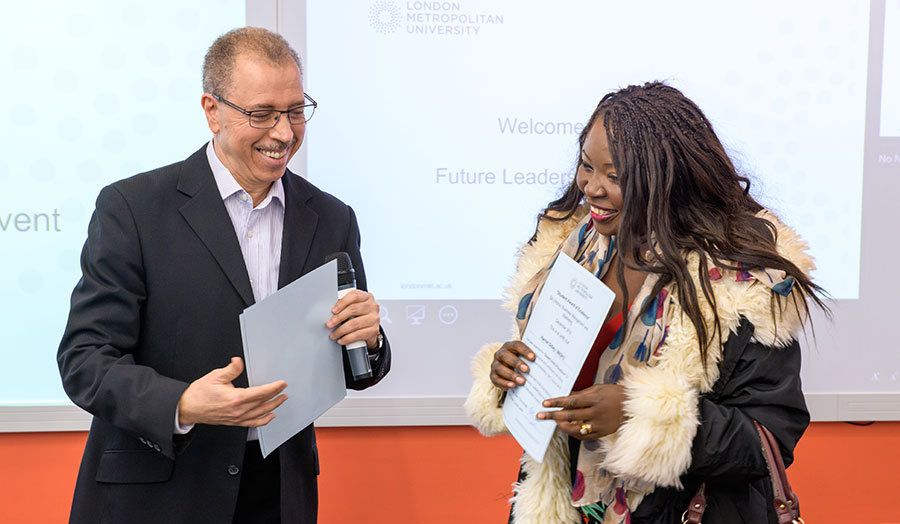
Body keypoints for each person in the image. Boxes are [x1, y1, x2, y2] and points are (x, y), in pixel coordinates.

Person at [57, 27, 390, 524]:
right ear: (212, 111)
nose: (284, 133)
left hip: (279, 493)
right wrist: (183, 402)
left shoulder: (331, 217)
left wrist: (369, 339)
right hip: (159, 494)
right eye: (262, 114)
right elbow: (85, 360)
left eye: (295, 111)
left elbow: (352, 364)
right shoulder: (133, 207)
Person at [465, 82, 825, 523]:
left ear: (668, 180)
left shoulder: (744, 284)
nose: (591, 188)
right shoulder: (571, 246)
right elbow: (557, 374)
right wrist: (511, 371)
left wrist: (638, 416)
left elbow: (768, 438)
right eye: (586, 166)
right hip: (568, 504)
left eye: (615, 177)